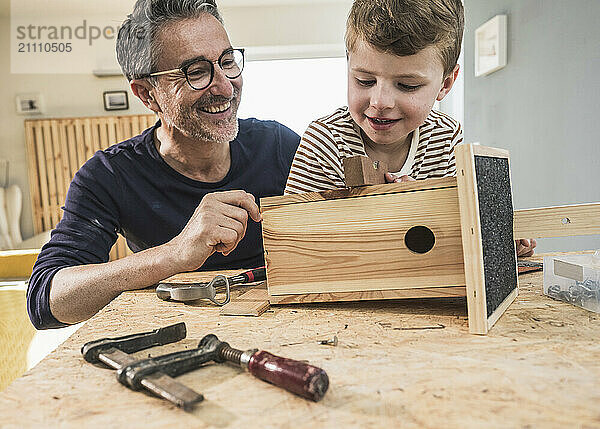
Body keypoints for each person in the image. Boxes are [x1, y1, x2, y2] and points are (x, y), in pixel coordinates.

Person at [27, 0, 300, 329]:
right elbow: (46, 301)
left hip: (284, 328)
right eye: (196, 72)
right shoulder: (109, 176)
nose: (226, 86)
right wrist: (175, 253)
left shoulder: (279, 145)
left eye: (227, 62)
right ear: (147, 94)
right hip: (175, 335)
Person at [284, 0, 536, 257]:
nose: (380, 102)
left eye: (407, 85)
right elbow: (290, 243)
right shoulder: (324, 140)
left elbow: (454, 234)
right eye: (364, 80)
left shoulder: (445, 135)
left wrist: (495, 238)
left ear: (445, 84)